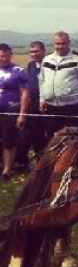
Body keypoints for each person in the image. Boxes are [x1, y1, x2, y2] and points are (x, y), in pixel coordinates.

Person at [39, 31, 78, 142]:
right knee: (52, 139)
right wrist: (42, 99)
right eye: (57, 44)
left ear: (69, 43)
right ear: (53, 44)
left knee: (74, 140)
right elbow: (42, 80)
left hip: (72, 107)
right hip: (51, 107)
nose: (60, 46)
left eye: (63, 43)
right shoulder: (47, 59)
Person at [15, 41, 47, 169]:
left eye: (36, 51)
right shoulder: (30, 65)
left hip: (46, 105)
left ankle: (45, 162)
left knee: (46, 136)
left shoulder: (50, 64)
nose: (34, 54)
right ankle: (32, 161)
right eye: (31, 52)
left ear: (43, 51)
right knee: (32, 134)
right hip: (32, 105)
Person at [0, 43, 30, 181]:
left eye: (6, 56)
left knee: (9, 141)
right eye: (1, 56)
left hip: (11, 111)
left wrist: (22, 114)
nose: (4, 59)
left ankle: (7, 170)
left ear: (11, 55)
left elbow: (25, 94)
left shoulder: (19, 71)